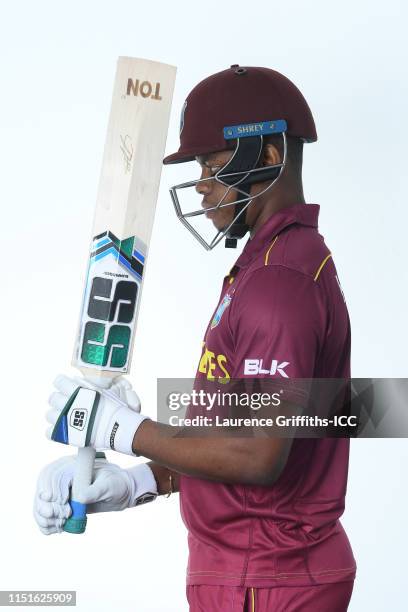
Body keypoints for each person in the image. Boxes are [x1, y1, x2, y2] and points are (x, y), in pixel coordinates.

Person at [34, 65, 356, 611]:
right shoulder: (270, 265)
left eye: (211, 163)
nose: (202, 184)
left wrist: (124, 428)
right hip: (251, 569)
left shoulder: (280, 282)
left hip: (266, 577)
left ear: (269, 156)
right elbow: (281, 422)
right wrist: (140, 482)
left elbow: (258, 455)